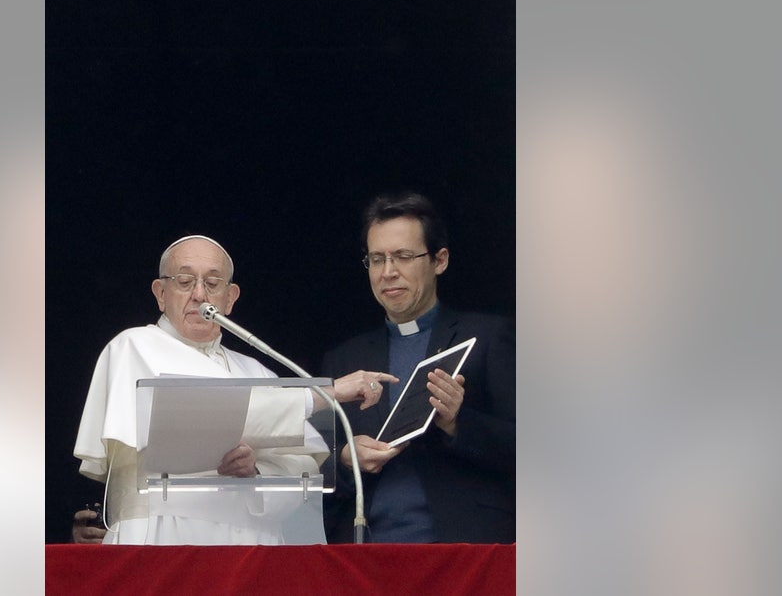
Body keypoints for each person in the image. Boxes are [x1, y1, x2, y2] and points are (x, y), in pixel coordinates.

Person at [73, 235, 393, 545]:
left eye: (213, 284)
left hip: (251, 548)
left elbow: (302, 470)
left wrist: (255, 472)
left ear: (230, 298)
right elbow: (198, 412)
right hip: (163, 537)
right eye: (185, 282)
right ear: (160, 292)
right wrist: (327, 393)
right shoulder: (133, 347)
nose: (199, 295)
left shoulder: (256, 371)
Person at [321, 193, 515, 543]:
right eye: (377, 259)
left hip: (466, 549)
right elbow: (311, 471)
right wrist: (346, 459)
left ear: (440, 260)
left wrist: (459, 422)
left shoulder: (488, 337)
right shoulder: (344, 361)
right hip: (367, 554)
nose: (388, 272)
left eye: (404, 256)